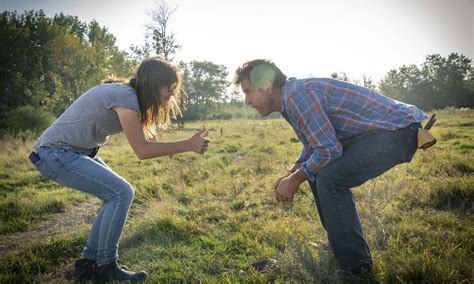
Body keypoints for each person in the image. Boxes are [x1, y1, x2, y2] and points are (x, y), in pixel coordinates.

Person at [234, 59, 427, 276]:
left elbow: (329, 150)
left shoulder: (299, 97)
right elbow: (313, 142)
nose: (247, 101)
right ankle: (340, 245)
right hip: (385, 133)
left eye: (248, 92)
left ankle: (356, 267)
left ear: (268, 87)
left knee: (330, 179)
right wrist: (293, 172)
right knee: (318, 173)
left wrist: (296, 179)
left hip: (398, 133)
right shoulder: (291, 99)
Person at [29, 56, 210, 283]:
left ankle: (89, 265)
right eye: (168, 87)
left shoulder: (127, 95)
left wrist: (186, 143)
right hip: (55, 154)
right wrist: (188, 145)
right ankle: (106, 266)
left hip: (62, 153)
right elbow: (143, 150)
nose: (172, 94)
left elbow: (149, 142)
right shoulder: (125, 96)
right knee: (121, 192)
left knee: (115, 194)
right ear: (153, 84)